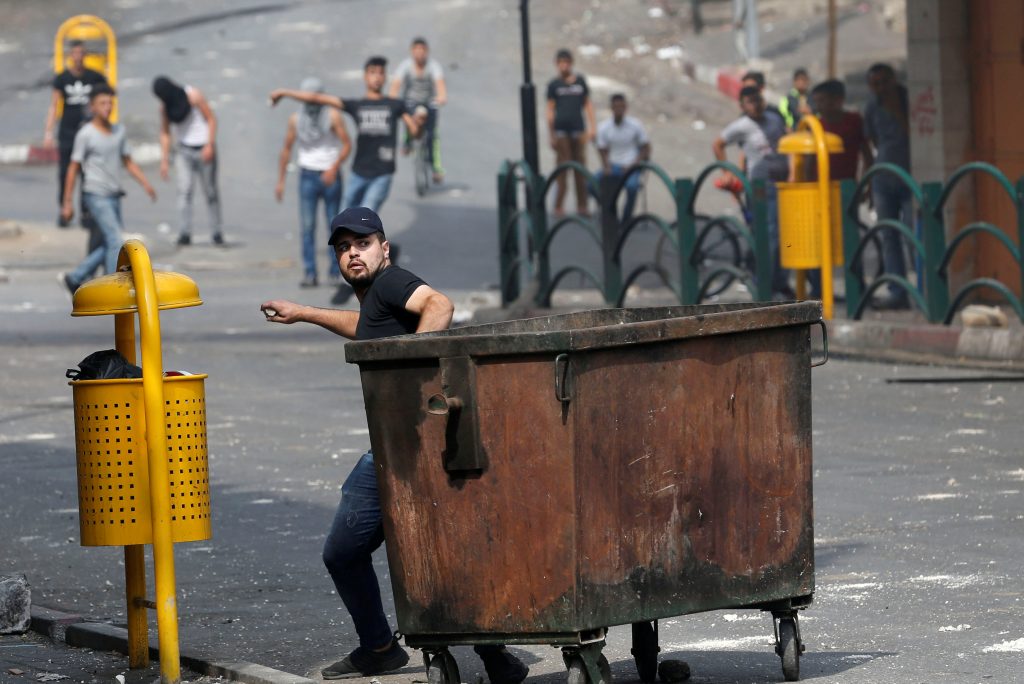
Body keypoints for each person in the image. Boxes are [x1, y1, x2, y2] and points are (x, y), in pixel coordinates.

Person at [259, 207, 529, 684]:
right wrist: (302, 312)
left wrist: (412, 373)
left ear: (384, 248)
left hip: (411, 450)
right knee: (404, 553)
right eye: (343, 248)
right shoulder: (377, 298)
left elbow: (440, 306)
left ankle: (433, 652)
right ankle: (413, 651)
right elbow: (365, 325)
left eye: (361, 244)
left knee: (390, 553)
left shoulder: (391, 281)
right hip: (397, 449)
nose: (352, 254)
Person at [270, 57, 424, 215]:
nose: (377, 77)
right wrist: (285, 92)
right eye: (372, 72)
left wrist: (419, 124)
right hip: (358, 172)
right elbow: (318, 98)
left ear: (385, 77)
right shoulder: (357, 105)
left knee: (366, 215)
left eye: (380, 73)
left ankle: (372, 238)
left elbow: (415, 133)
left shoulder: (395, 105)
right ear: (365, 76)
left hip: (382, 173)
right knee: (346, 218)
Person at [59, 84, 156, 294]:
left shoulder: (118, 131)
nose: (107, 107)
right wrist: (67, 202)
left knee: (105, 242)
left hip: (114, 195)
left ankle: (76, 277)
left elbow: (128, 162)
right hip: (95, 195)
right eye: (102, 103)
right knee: (114, 240)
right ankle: (114, 286)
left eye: (110, 103)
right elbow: (73, 167)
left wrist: (146, 184)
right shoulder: (86, 134)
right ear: (92, 106)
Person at [712, 85, 792, 299]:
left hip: (782, 182)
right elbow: (718, 144)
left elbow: (787, 142)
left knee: (785, 235)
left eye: (758, 100)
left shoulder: (774, 120)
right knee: (769, 234)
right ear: (743, 106)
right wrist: (727, 172)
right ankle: (767, 284)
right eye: (750, 102)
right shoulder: (741, 126)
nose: (756, 105)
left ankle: (779, 281)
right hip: (760, 186)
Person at [276, 77, 352, 288]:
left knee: (334, 226)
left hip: (330, 175)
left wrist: (334, 167)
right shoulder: (295, 119)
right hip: (307, 175)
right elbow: (286, 149)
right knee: (307, 226)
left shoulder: (333, 116)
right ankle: (310, 272)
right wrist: (281, 180)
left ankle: (335, 272)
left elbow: (347, 144)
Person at [806, 79, 872, 298]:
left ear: (838, 100)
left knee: (850, 240)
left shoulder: (853, 122)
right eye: (816, 102)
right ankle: (819, 290)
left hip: (845, 190)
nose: (819, 106)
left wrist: (866, 184)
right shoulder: (815, 126)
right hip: (819, 191)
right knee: (819, 241)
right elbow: (807, 161)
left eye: (823, 101)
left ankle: (857, 289)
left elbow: (866, 153)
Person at [44, 39, 108, 228]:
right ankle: (64, 210)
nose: (78, 57)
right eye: (75, 54)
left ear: (85, 56)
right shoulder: (62, 78)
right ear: (70, 56)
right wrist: (48, 132)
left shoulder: (95, 77)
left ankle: (86, 213)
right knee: (65, 174)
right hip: (67, 132)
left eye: (81, 54)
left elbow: (107, 99)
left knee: (87, 174)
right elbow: (54, 106)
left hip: (89, 133)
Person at [153, 76, 224, 246]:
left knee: (210, 192)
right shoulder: (165, 108)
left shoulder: (193, 95)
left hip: (204, 147)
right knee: (184, 191)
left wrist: (209, 144)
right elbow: (165, 132)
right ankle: (185, 233)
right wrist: (164, 160)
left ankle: (217, 232)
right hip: (183, 150)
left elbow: (211, 119)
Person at [863, 62, 911, 309]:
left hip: (910, 178)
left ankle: (922, 291)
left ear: (893, 80)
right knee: (888, 236)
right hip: (884, 179)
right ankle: (897, 292)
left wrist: (897, 111)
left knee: (914, 236)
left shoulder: (907, 98)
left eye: (883, 82)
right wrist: (870, 181)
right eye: (874, 84)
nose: (879, 89)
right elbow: (871, 142)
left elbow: (916, 134)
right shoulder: (872, 106)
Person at [389, 37, 447, 184]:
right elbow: (396, 84)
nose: (419, 54)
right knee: (407, 116)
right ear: (411, 51)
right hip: (411, 101)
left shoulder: (433, 66)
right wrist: (392, 99)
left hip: (429, 102)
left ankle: (436, 168)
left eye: (422, 50)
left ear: (427, 52)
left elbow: (440, 84)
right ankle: (407, 141)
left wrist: (442, 97)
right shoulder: (406, 66)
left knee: (433, 135)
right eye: (416, 50)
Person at [546, 48, 596, 217]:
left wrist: (592, 127)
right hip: (561, 132)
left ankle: (582, 206)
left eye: (566, 62)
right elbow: (550, 110)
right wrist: (551, 134)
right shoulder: (554, 85)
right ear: (557, 64)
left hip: (578, 130)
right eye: (561, 63)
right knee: (562, 169)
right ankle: (559, 205)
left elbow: (587, 104)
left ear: (571, 63)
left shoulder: (580, 82)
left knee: (580, 170)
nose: (564, 66)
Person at [593, 93, 651, 222]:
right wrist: (606, 166)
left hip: (631, 167)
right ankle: (608, 209)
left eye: (621, 107)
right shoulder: (604, 127)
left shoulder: (635, 125)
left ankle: (626, 219)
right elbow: (601, 148)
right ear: (611, 108)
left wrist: (634, 164)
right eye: (616, 107)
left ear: (625, 108)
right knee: (592, 184)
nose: (619, 110)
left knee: (632, 187)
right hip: (613, 165)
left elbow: (646, 148)